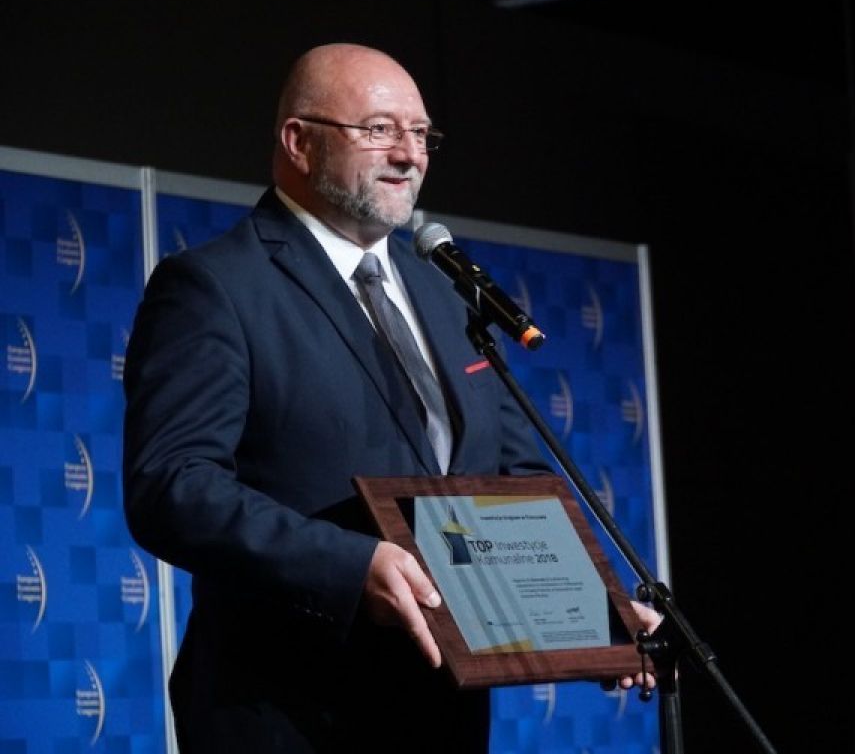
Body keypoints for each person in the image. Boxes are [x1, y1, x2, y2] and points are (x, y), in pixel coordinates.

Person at [123, 43, 654, 753]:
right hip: (290, 712)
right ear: (299, 142)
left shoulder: (442, 289)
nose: (409, 154)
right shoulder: (215, 286)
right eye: (379, 129)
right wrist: (351, 568)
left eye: (421, 133)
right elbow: (172, 487)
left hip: (440, 714)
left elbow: (513, 483)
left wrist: (597, 612)